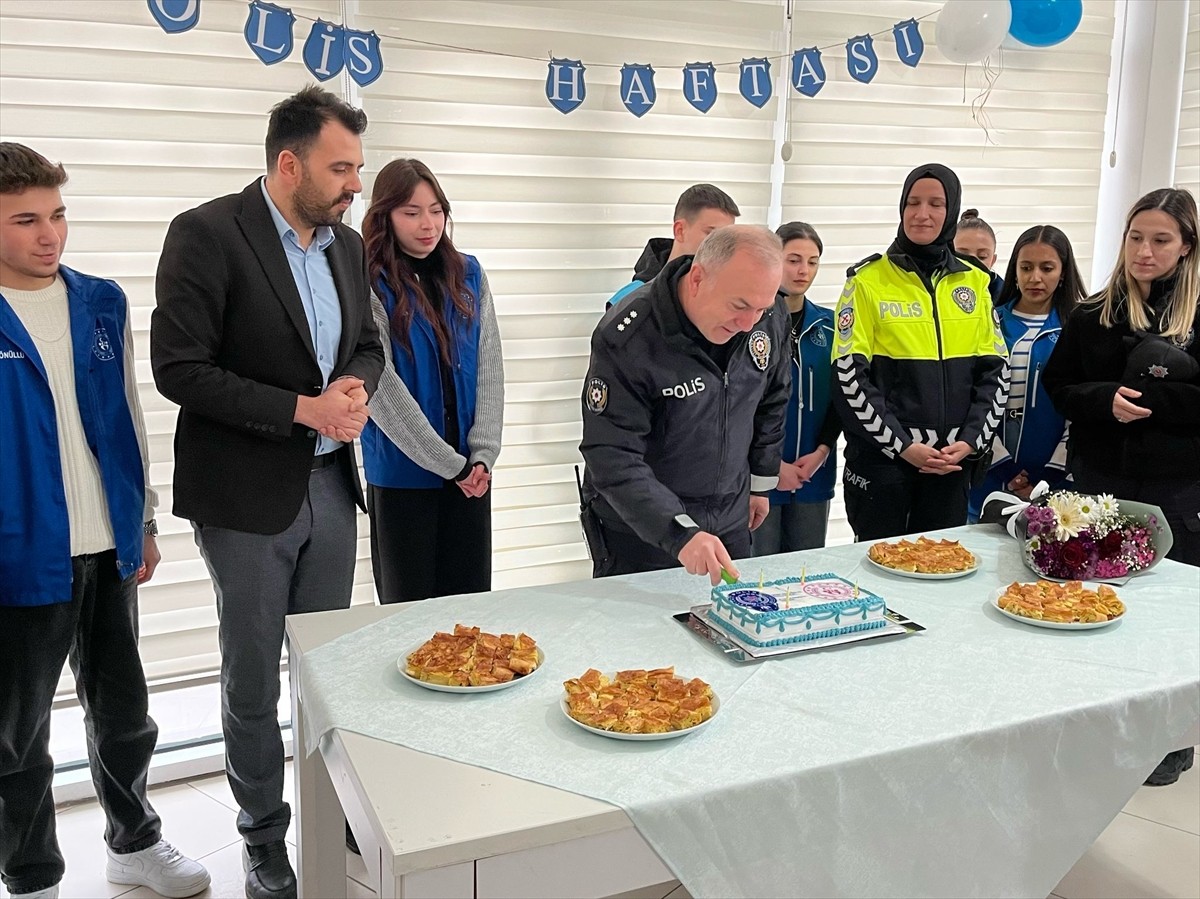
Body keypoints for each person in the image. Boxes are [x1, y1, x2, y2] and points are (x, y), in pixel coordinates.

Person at [150, 87, 384, 899]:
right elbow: (179, 368)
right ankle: (263, 838)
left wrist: (353, 387)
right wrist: (301, 409)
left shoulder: (347, 248)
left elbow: (366, 343)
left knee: (327, 673)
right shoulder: (207, 233)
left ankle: (337, 809)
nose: (356, 183)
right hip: (246, 497)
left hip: (330, 486)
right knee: (252, 676)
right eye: (341, 167)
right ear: (290, 164)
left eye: (357, 165)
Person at [0, 144, 209, 899]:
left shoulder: (101, 301)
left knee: (124, 710)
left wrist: (143, 520)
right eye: (26, 220)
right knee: (15, 735)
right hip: (21, 551)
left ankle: (135, 842)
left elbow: (125, 415)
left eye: (57, 215)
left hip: (108, 542)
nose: (49, 234)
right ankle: (31, 877)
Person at [1043, 187, 1199, 786]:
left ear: (1186, 248)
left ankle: (1170, 745)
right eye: (1136, 237)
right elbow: (1062, 389)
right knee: (1097, 614)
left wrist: (1155, 399)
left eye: (1160, 240)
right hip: (1102, 490)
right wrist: (1103, 400)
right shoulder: (1092, 313)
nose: (1145, 251)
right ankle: (1098, 733)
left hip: (1181, 494)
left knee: (1169, 625)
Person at [580, 225, 790, 584]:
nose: (748, 324)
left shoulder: (766, 316)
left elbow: (773, 396)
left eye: (760, 308)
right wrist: (678, 532)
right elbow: (612, 455)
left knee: (731, 631)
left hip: (731, 518)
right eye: (739, 306)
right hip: (642, 530)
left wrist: (760, 484)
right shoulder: (630, 337)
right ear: (697, 278)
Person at [832, 163, 1009, 541]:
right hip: (884, 468)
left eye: (935, 204)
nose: (922, 214)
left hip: (951, 466)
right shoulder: (866, 282)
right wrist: (904, 447)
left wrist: (969, 442)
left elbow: (996, 372)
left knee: (940, 577)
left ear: (952, 212)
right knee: (879, 577)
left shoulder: (975, 283)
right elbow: (848, 377)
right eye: (913, 202)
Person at [359, 159, 503, 603]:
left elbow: (490, 367)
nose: (428, 224)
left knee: (471, 615)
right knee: (410, 620)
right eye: (412, 212)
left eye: (436, 210)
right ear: (385, 216)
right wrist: (450, 464)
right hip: (404, 478)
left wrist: (481, 456)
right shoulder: (368, 281)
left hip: (470, 477)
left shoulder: (469, 274)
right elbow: (380, 388)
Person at [968, 225, 1087, 520]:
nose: (1035, 278)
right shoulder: (989, 322)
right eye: (1026, 267)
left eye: (1047, 268)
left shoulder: (1080, 329)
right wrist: (1004, 467)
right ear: (1014, 270)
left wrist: (1052, 471)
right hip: (989, 477)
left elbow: (1081, 411)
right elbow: (971, 401)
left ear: (1063, 272)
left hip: (1058, 483)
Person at [752, 222, 840, 555]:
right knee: (757, 576)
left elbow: (842, 397)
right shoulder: (749, 324)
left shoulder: (831, 326)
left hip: (813, 476)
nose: (803, 270)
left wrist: (823, 450)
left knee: (805, 575)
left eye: (812, 261)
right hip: (759, 479)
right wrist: (771, 468)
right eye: (793, 260)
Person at [606, 183, 739, 307]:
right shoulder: (630, 300)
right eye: (711, 234)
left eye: (726, 239)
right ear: (680, 230)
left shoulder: (729, 297)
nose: (721, 246)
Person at [953, 208, 1004, 301]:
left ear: (993, 260)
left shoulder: (1006, 300)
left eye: (982, 256)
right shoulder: (931, 289)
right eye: (962, 255)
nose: (973, 263)